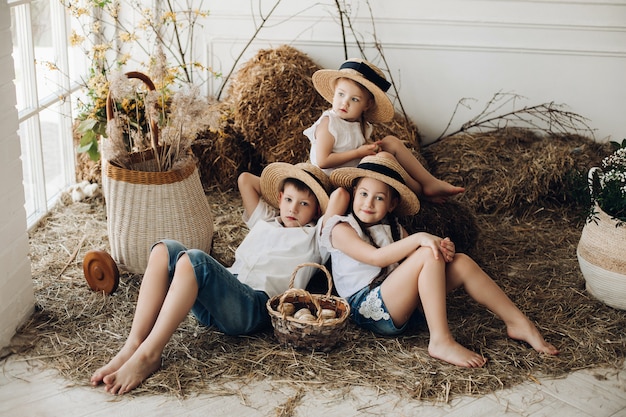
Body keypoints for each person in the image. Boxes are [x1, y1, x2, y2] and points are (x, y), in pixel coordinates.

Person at [90, 162, 331, 395]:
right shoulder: (265, 220)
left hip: (253, 308)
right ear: (279, 198)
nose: (293, 209)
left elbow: (338, 197)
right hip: (219, 301)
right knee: (164, 248)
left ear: (317, 210)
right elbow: (245, 180)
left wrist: (317, 190)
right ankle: (134, 344)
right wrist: (284, 182)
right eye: (288, 200)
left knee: (195, 261)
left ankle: (149, 355)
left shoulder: (315, 237)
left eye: (304, 204)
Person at [319, 153, 559, 368]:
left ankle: (518, 323)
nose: (368, 203)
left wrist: (443, 250)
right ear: (353, 195)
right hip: (367, 308)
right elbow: (376, 257)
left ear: (392, 204)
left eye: (379, 198)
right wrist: (422, 240)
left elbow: (414, 266)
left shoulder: (394, 227)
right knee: (425, 251)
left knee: (461, 261)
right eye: (363, 194)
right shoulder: (341, 229)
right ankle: (441, 340)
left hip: (401, 304)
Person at [304, 58, 464, 203]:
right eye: (341, 94)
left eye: (354, 99)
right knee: (385, 157)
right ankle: (419, 193)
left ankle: (429, 182)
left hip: (353, 170)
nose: (344, 103)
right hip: (335, 180)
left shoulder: (361, 125)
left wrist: (369, 149)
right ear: (333, 94)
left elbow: (355, 147)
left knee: (391, 142)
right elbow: (323, 161)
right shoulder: (328, 123)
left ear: (366, 105)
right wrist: (359, 153)